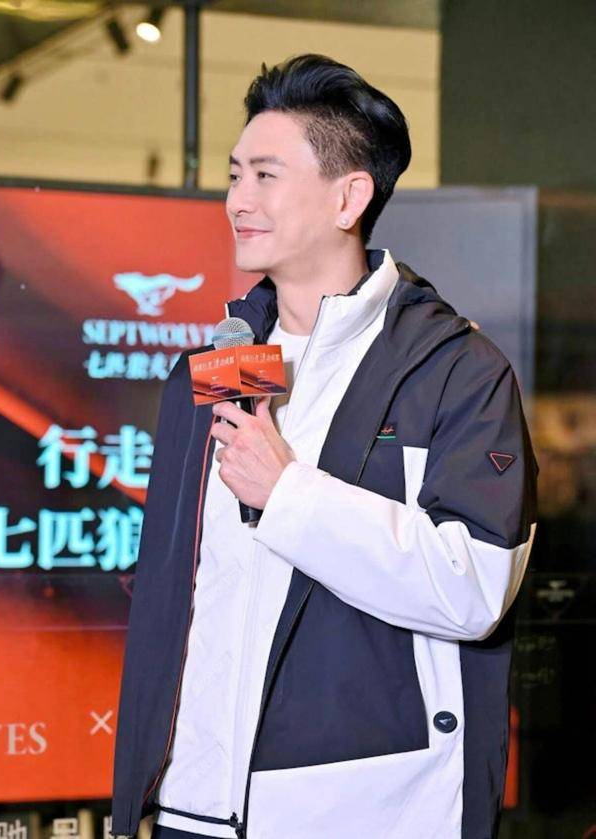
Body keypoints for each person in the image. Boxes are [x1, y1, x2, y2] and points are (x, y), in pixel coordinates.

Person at [111, 54, 538, 839]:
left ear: (350, 197)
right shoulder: (211, 367)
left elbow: (474, 588)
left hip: (357, 807)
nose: (238, 199)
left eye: (265, 176)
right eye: (234, 174)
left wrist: (290, 494)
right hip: (191, 802)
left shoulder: (455, 372)